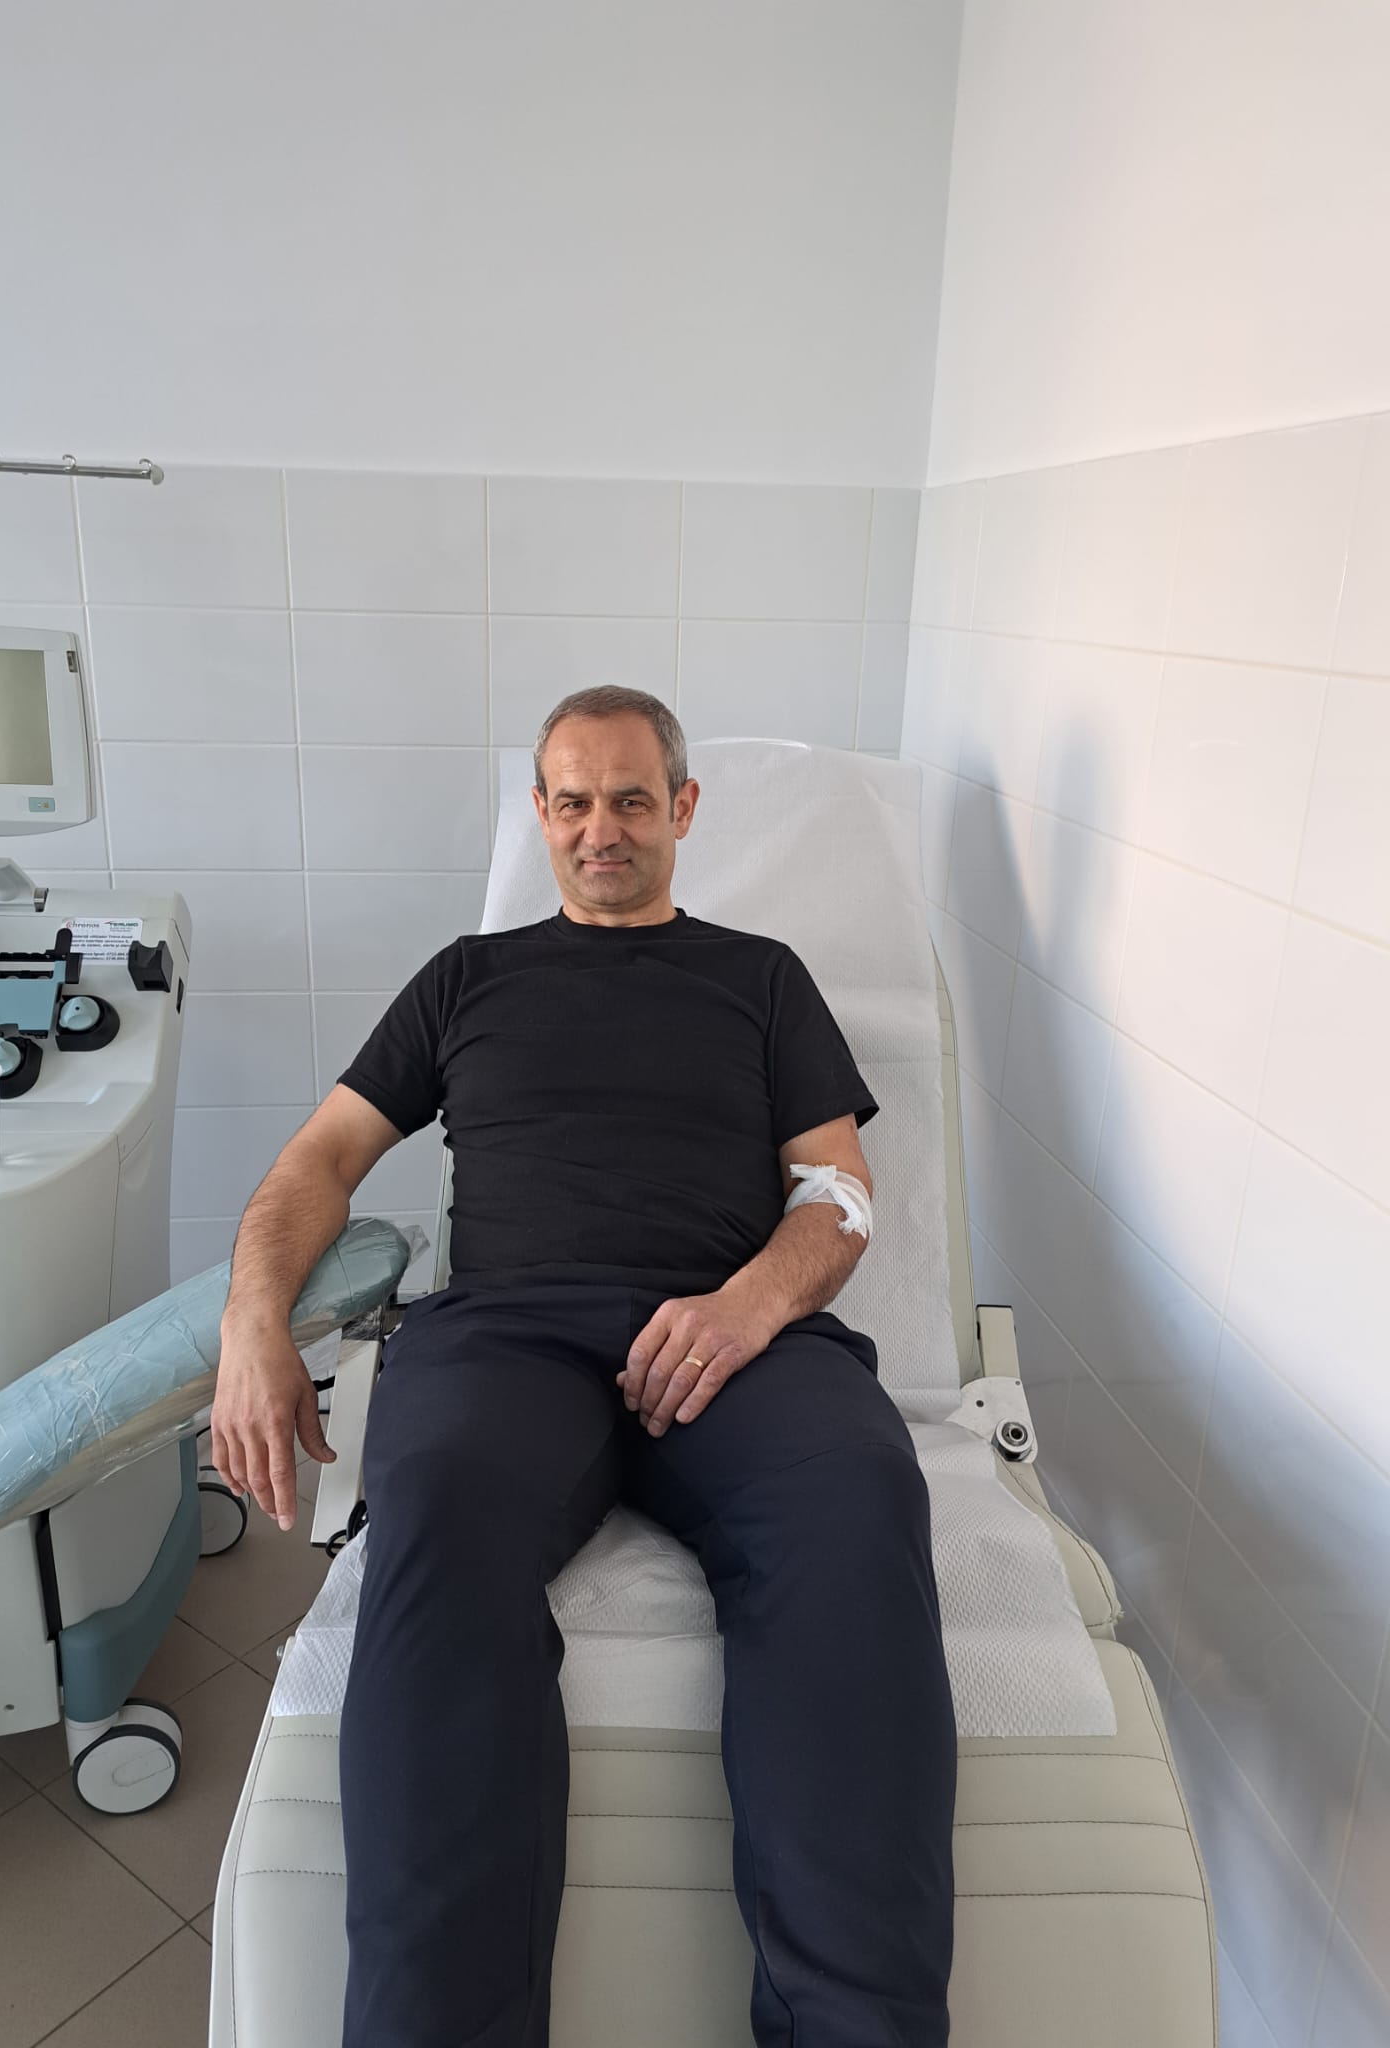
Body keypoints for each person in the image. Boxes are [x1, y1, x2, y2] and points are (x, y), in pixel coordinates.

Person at [210, 686, 957, 2048]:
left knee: (858, 1502)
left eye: (629, 800)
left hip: (732, 1333)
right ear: (540, 815)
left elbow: (839, 1191)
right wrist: (251, 1322)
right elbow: (320, 1159)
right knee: (436, 1515)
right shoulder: (466, 980)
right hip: (508, 1333)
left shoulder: (761, 979)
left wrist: (746, 1307)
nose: (599, 827)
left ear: (681, 809)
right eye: (572, 801)